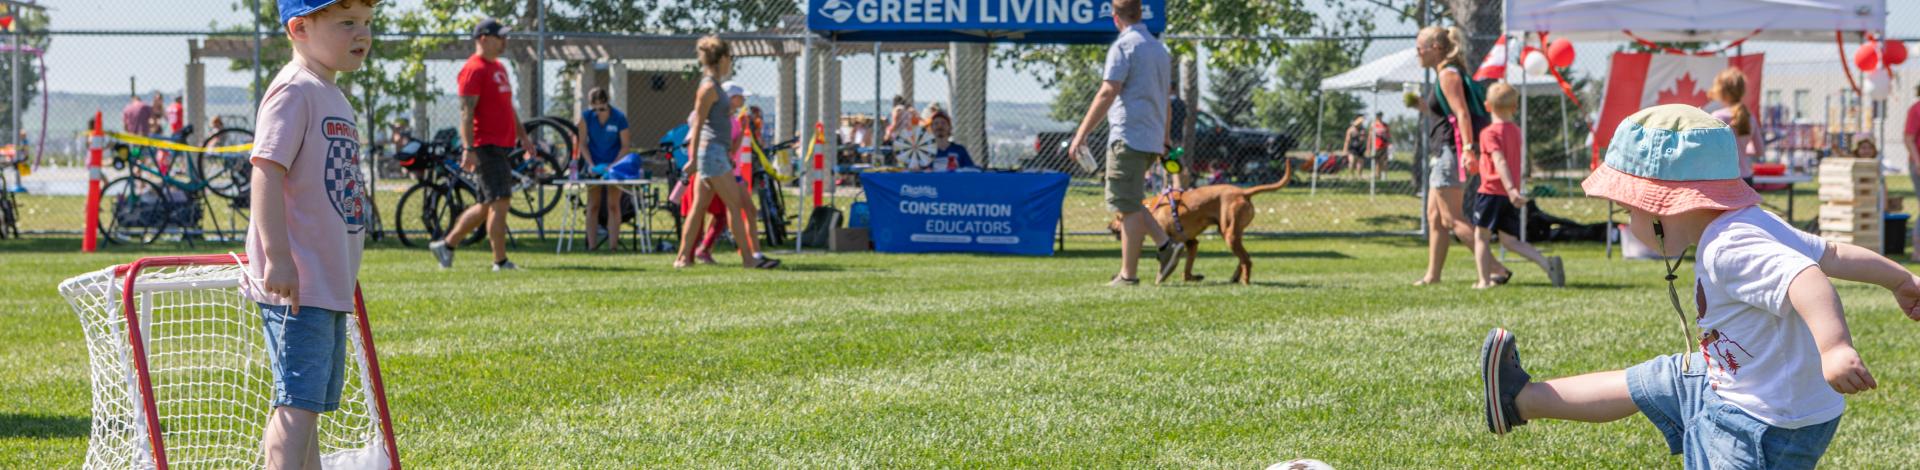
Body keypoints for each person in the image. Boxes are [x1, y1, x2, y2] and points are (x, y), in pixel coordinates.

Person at [1480, 104, 1919, 468]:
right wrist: (1901, 280)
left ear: (1660, 208)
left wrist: (1835, 347)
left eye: (1626, 210)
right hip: (1744, 381)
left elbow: (1807, 277)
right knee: (1659, 377)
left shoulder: (1728, 246)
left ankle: (1524, 401)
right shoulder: (1751, 222)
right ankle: (1520, 401)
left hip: (1758, 422)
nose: (1624, 222)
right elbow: (1833, 253)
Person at [241, 1, 374, 467]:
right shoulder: (294, 90)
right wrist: (278, 256)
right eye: (346, 23)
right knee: (295, 404)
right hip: (299, 284)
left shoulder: (333, 95)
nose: (361, 33)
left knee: (308, 406)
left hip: (327, 285)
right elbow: (265, 172)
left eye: (366, 23)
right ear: (299, 27)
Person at [1067, 0, 1181, 286]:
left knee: (1126, 205)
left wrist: (1081, 133)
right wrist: (1165, 138)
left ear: (1116, 17)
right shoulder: (1159, 50)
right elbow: (1165, 101)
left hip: (1128, 135)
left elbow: (1108, 91)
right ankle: (1166, 247)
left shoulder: (1123, 46)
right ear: (1140, 13)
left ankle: (1128, 275)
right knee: (1129, 199)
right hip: (1152, 136)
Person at [428, 18, 539, 271]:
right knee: (500, 201)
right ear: (483, 39)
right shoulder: (473, 69)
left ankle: (446, 245)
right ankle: (500, 261)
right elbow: (466, 112)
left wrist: (523, 137)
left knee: (487, 204)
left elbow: (508, 107)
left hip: (503, 144)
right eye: (500, 37)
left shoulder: (499, 67)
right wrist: (468, 149)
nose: (504, 42)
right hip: (485, 146)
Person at [673, 35, 780, 270]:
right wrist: (692, 160)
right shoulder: (709, 87)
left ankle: (683, 258)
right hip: (711, 154)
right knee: (735, 204)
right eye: (729, 57)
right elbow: (698, 125)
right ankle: (749, 259)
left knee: (699, 206)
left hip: (715, 153)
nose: (730, 61)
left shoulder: (715, 86)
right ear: (721, 58)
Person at [1414, 25, 1507, 286]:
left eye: (1419, 48)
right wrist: (1422, 106)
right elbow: (1449, 115)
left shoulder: (1448, 74)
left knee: (1452, 219)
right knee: (1435, 217)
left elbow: (1463, 113)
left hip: (1451, 152)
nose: (1417, 53)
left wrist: (1468, 149)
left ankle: (1496, 268)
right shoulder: (1446, 73)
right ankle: (1433, 276)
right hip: (1446, 150)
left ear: (1436, 48)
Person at [1471, 82, 1564, 289]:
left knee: (1481, 237)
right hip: (1507, 194)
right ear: (1514, 107)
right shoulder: (1515, 131)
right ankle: (1546, 264)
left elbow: (1500, 160)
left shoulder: (1488, 133)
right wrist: (1512, 189)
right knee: (1510, 241)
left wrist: (1511, 189)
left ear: (1487, 106)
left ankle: (1484, 281)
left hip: (1491, 192)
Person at [574, 86, 631, 251]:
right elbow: (583, 144)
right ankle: (592, 247)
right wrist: (591, 165)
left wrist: (612, 166)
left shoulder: (619, 118)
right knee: (593, 205)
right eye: (595, 108)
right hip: (595, 165)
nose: (599, 112)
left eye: (602, 108)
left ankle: (613, 247)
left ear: (608, 103)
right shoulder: (586, 117)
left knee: (613, 204)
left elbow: (625, 146)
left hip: (614, 165)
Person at [1709, 68, 1762, 186]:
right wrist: (1741, 148)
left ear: (1720, 91)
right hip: (1746, 179)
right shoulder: (1750, 117)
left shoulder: (1717, 117)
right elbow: (1760, 151)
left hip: (1723, 179)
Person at [1370, 111, 1391, 181]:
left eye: (1380, 116)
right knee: (1377, 162)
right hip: (1376, 146)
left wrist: (1388, 144)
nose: (1379, 117)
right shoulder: (1373, 125)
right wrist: (1369, 146)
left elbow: (1388, 136)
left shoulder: (1385, 125)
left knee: (1384, 162)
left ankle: (1384, 176)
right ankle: (1377, 175)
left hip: (1384, 146)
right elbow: (1370, 136)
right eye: (1378, 116)